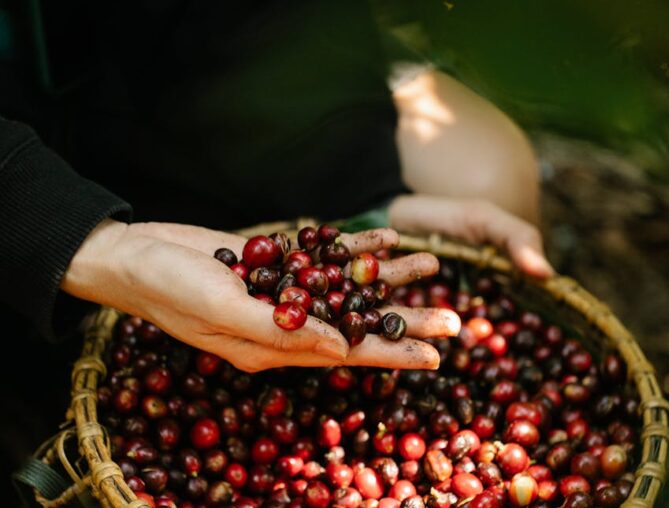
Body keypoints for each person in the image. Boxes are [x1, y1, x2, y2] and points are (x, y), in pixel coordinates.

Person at [0, 1, 551, 382]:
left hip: (188, 90)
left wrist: (365, 187)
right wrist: (83, 241)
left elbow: (267, 21)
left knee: (487, 175)